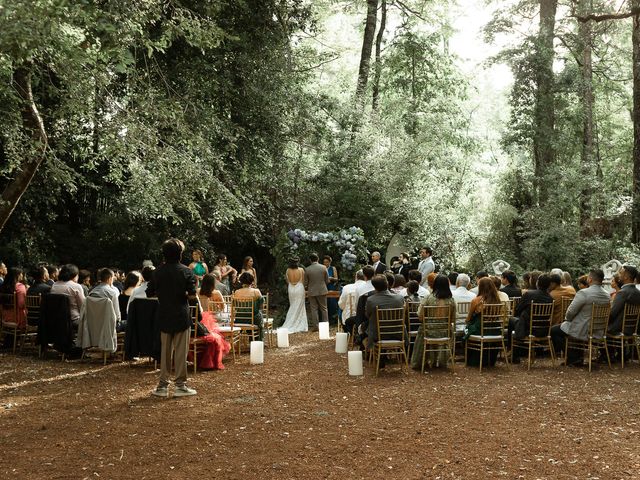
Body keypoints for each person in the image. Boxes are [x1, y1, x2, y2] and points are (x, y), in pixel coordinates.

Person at [148, 238, 198, 398]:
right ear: (180, 254)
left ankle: (162, 386)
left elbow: (150, 292)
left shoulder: (157, 272)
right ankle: (180, 386)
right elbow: (192, 296)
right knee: (180, 353)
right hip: (181, 315)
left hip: (163, 314)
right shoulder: (186, 271)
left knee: (165, 353)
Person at [550, 269, 610, 367]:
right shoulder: (607, 295)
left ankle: (573, 357)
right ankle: (576, 356)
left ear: (590, 279)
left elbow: (571, 311)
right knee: (569, 326)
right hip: (599, 329)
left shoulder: (584, 293)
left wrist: (568, 319)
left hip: (583, 328)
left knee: (554, 330)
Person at [410, 274, 456, 370]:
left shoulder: (428, 298)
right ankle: (442, 362)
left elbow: (420, 315)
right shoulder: (451, 300)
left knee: (422, 330)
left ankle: (420, 362)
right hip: (445, 332)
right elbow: (453, 319)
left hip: (429, 331)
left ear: (435, 285)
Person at [507, 273, 553, 363]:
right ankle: (515, 352)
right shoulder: (550, 298)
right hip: (543, 328)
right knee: (519, 322)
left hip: (528, 328)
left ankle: (513, 353)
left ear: (537, 283)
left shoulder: (529, 294)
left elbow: (517, 310)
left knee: (512, 320)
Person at [365, 274, 405, 367]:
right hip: (398, 333)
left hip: (378, 335)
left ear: (374, 287)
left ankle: (373, 356)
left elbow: (368, 315)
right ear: (387, 283)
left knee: (366, 328)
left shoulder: (371, 300)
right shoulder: (399, 298)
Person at [464, 277, 502, 367]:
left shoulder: (476, 300)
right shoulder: (497, 300)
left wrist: (467, 323)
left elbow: (468, 318)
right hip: (495, 330)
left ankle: (472, 359)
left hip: (480, 329)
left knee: (467, 330)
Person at [195, 273, 231, 370]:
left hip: (199, 319)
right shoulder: (216, 293)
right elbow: (223, 307)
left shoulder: (197, 291)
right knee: (226, 319)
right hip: (212, 318)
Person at [50, 264, 85, 329]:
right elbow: (83, 307)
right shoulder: (76, 286)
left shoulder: (54, 285)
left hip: (56, 320)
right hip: (73, 320)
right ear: (74, 275)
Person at [232, 272, 264, 340]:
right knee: (259, 316)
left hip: (240, 319)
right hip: (253, 320)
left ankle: (248, 338)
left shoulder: (237, 292)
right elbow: (262, 307)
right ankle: (257, 340)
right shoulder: (256, 291)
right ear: (251, 281)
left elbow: (234, 306)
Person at [281, 257, 308, 333]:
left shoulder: (287, 270)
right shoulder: (301, 270)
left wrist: (292, 285)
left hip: (291, 289)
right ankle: (299, 324)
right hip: (299, 288)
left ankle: (290, 322)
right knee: (300, 306)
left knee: (292, 305)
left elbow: (287, 281)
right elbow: (303, 281)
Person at [304, 253, 329, 331]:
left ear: (310, 260)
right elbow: (327, 280)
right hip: (322, 290)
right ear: (318, 259)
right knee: (324, 308)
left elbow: (305, 282)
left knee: (314, 309)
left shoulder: (307, 269)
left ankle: (316, 327)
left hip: (312, 291)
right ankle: (325, 326)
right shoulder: (324, 267)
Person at [323, 255, 339, 323]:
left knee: (332, 302)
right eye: (324, 262)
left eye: (327, 262)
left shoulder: (333, 268)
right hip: (324, 286)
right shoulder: (322, 268)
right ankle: (326, 319)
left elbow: (336, 278)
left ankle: (333, 318)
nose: (325, 264)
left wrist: (331, 278)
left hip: (331, 286)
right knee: (325, 303)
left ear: (330, 262)